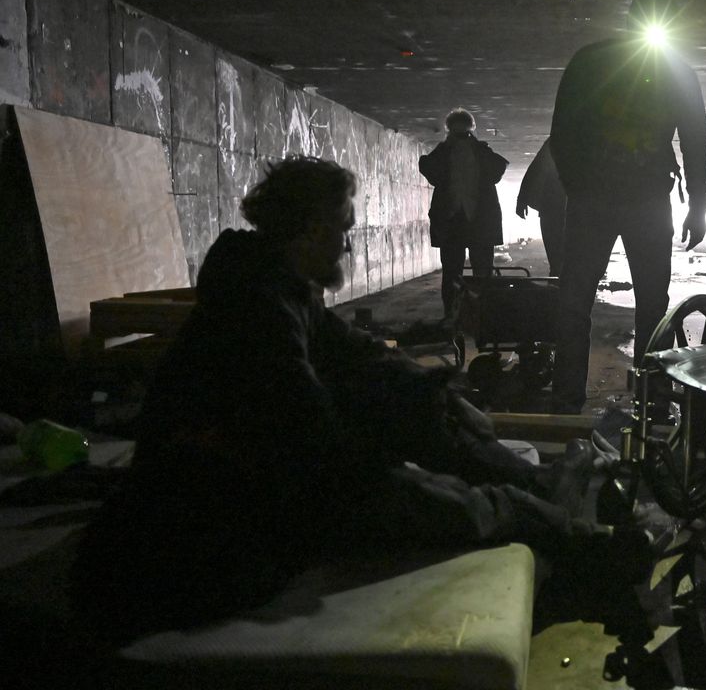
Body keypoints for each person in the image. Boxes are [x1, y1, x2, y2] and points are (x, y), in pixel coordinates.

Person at [69, 157, 649, 642]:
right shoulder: (257, 311)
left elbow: (361, 355)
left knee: (419, 402)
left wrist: (438, 395)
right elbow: (309, 435)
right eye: (344, 229)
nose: (349, 244)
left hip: (268, 474)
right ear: (314, 229)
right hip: (232, 511)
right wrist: (405, 457)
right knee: (470, 503)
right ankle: (590, 545)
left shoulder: (277, 285)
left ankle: (553, 496)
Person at [549, 0, 706, 414]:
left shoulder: (590, 61)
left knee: (575, 302)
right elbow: (695, 140)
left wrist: (577, 187)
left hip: (602, 200)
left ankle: (568, 398)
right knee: (651, 305)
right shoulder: (679, 71)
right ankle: (650, 399)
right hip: (645, 201)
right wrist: (697, 204)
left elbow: (562, 132)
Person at [419, 108, 507, 320]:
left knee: (471, 272)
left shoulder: (479, 152)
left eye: (463, 134)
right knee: (463, 272)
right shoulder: (446, 153)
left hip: (466, 221)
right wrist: (446, 148)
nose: (460, 138)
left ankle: (470, 315)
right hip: (462, 221)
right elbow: (428, 168)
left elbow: (498, 169)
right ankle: (461, 315)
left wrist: (474, 146)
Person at [515, 138, 567, 275]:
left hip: (551, 206)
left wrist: (522, 199)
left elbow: (535, 169)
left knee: (555, 256)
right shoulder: (591, 140)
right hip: (576, 208)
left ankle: (556, 288)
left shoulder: (555, 141)